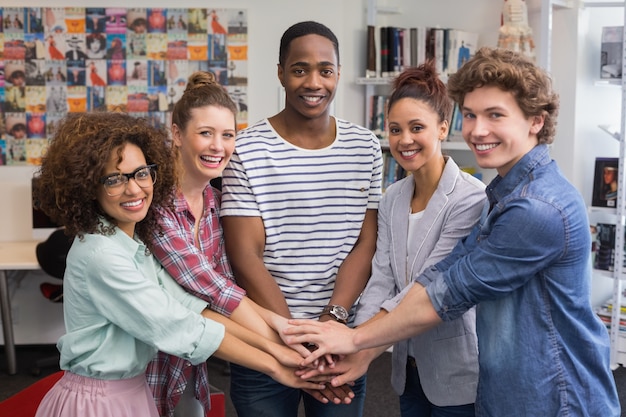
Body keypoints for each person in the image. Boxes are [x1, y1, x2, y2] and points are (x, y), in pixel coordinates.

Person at [284, 47, 622, 416]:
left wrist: (354, 338)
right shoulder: (503, 194)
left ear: (535, 122)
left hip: (554, 399)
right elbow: (439, 276)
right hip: (509, 391)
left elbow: (447, 294)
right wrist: (359, 348)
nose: (478, 130)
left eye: (495, 115)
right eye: (472, 115)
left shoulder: (536, 208)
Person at [32, 112, 323, 417]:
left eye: (141, 173)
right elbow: (180, 327)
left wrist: (279, 350)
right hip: (97, 401)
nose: (134, 189)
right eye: (115, 179)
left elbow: (189, 305)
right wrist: (277, 366)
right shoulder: (101, 255)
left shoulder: (132, 245)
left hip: (130, 390)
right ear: (89, 186)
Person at [220, 20, 383, 417]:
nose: (314, 81)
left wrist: (331, 323)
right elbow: (245, 256)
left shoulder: (366, 147)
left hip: (341, 339)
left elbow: (366, 242)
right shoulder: (246, 150)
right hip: (264, 337)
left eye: (325, 70)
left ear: (338, 74)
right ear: (280, 73)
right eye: (299, 69)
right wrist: (295, 337)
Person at [146, 71, 313, 417]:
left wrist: (285, 336)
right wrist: (287, 347)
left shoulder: (217, 203)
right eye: (205, 133)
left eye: (227, 135)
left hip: (191, 364)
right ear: (176, 134)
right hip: (144, 364)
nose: (218, 147)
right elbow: (212, 290)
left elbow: (227, 293)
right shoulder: (154, 205)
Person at [354, 62, 485, 417]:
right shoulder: (392, 197)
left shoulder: (471, 199)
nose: (404, 140)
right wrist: (355, 341)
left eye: (417, 128)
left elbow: (429, 287)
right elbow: (381, 278)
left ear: (443, 128)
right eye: (395, 129)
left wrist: (357, 344)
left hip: (456, 371)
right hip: (406, 369)